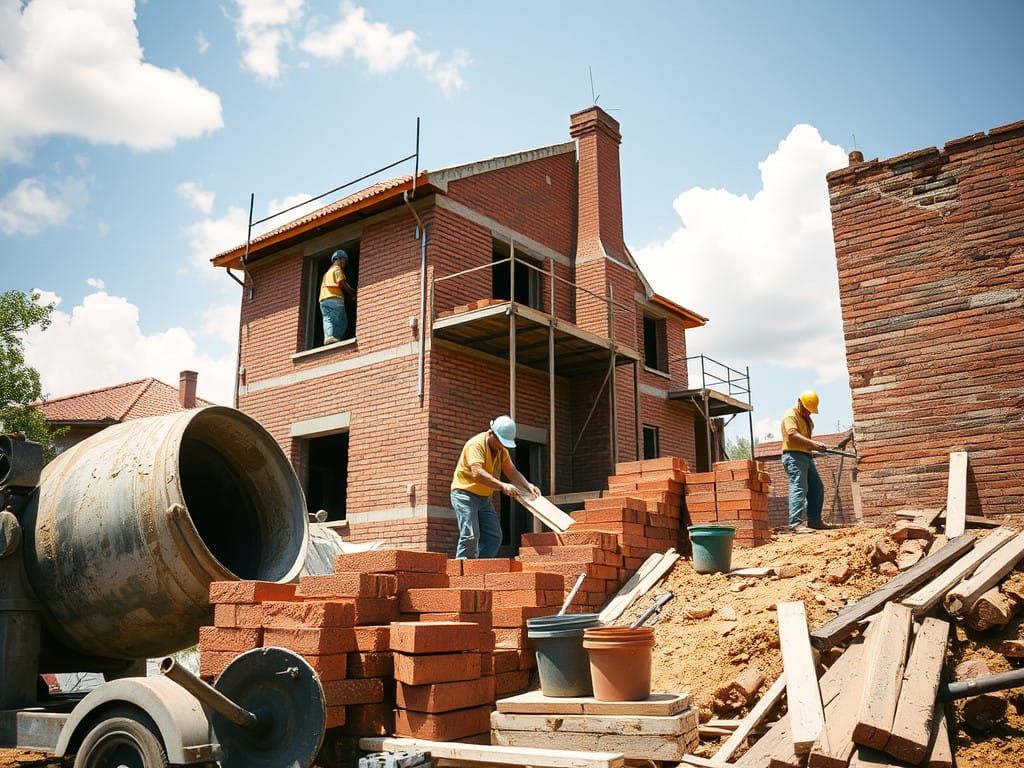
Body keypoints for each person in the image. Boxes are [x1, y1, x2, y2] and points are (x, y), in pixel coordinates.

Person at [450, 416, 541, 559]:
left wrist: (528, 485)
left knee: (494, 535)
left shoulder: (501, 452)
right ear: (491, 433)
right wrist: (502, 485)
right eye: (500, 442)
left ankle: (482, 569)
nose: (501, 446)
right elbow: (477, 473)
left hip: (484, 498)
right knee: (470, 535)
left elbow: (512, 471)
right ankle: (462, 574)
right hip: (465, 494)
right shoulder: (476, 445)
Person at [780, 390, 829, 533]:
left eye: (810, 411)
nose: (809, 413)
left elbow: (803, 443)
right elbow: (792, 434)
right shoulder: (791, 415)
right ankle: (795, 524)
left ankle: (814, 521)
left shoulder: (807, 420)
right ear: (799, 402)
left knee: (816, 488)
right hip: (793, 457)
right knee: (799, 488)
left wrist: (812, 450)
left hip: (805, 456)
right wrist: (814, 444)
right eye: (807, 409)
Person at [319, 249, 355, 344]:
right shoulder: (337, 269)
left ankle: (329, 336)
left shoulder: (327, 273)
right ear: (339, 259)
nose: (344, 263)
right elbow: (341, 282)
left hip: (323, 299)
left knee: (328, 318)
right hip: (334, 298)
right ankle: (334, 338)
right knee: (342, 321)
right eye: (344, 260)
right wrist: (351, 292)